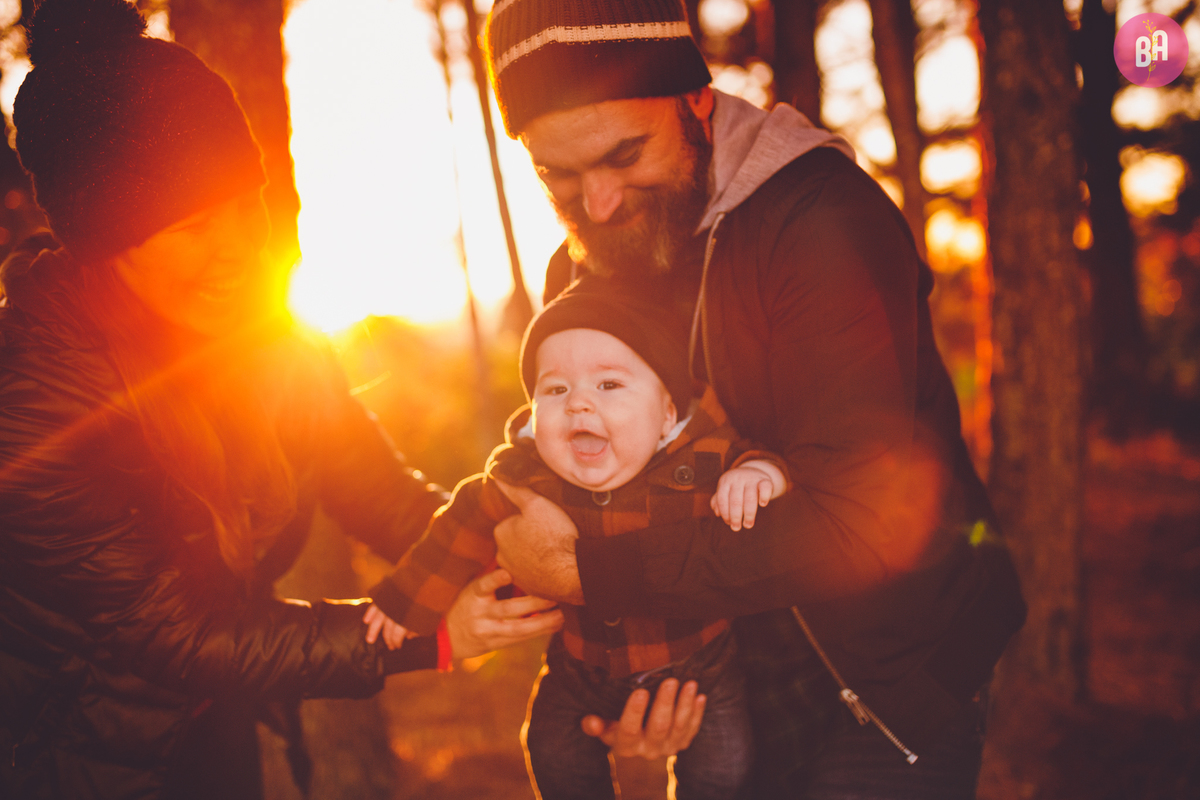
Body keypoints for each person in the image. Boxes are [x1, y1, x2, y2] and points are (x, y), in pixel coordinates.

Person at [0, 2, 565, 798]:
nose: (235, 248)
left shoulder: (263, 328)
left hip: (211, 711)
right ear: (104, 242)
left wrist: (536, 558)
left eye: (244, 204)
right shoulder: (34, 396)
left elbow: (374, 487)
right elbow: (178, 630)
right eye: (192, 225)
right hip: (64, 749)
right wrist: (424, 638)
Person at [479, 1, 1028, 797]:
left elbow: (861, 522)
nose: (595, 204)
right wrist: (627, 677)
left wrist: (594, 573)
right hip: (726, 679)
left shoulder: (823, 224)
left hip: (883, 684)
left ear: (696, 101)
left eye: (624, 154)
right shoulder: (583, 266)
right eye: (556, 173)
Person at [366, 277, 786, 799]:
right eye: (556, 389)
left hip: (700, 665)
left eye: (609, 385)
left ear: (667, 417)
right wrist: (403, 601)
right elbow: (458, 527)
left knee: (725, 763)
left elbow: (758, 457)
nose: (579, 404)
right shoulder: (526, 480)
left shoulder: (701, 461)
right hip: (582, 667)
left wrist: (760, 474)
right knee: (552, 745)